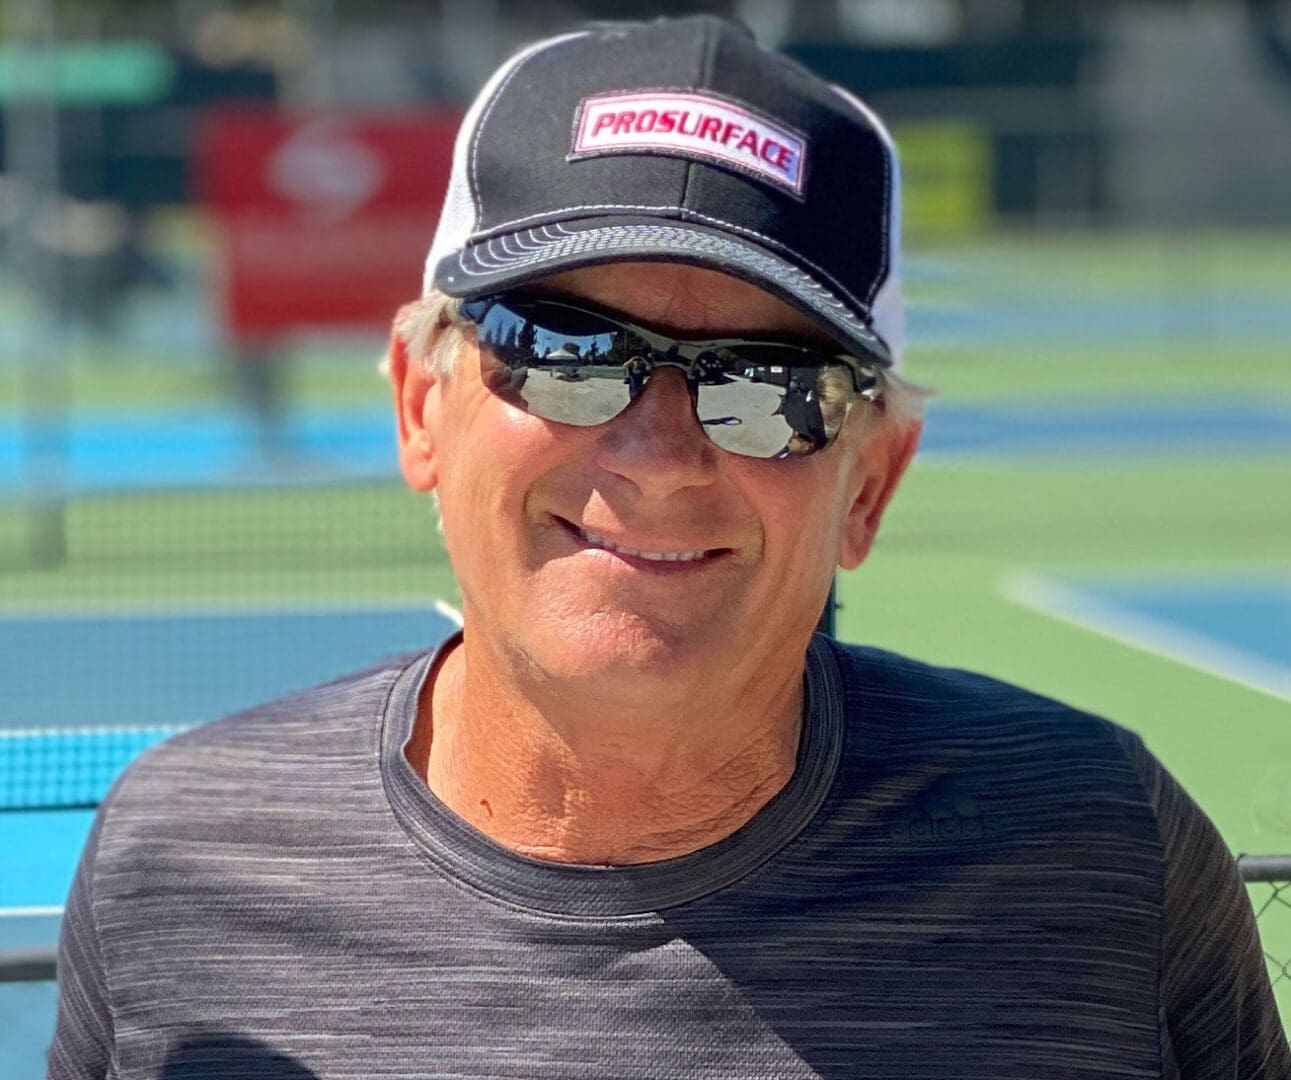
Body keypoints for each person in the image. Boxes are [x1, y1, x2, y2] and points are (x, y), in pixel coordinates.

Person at [48, 15, 1288, 1080]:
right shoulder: (179, 861)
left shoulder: (1098, 854)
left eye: (770, 385)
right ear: (420, 408)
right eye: (564, 349)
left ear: (872, 485)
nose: (657, 453)